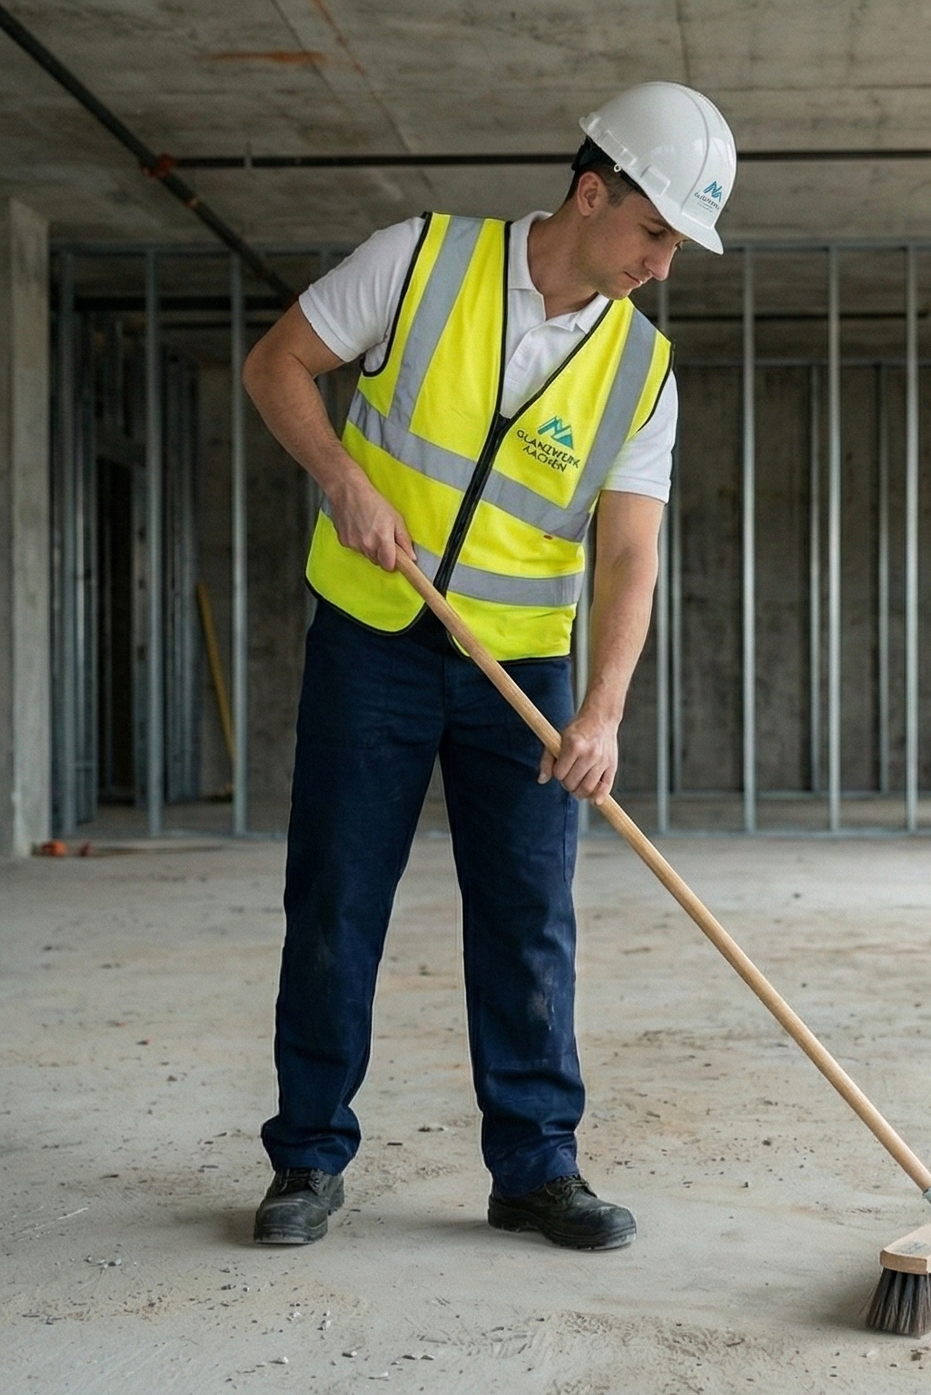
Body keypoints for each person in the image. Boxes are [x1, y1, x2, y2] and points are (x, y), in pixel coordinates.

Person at [239, 82, 736, 1251]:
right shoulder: (416, 261)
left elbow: (629, 557)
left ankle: (535, 1168)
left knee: (526, 917)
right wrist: (343, 478)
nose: (662, 266)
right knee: (335, 898)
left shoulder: (641, 373)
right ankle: (308, 1157)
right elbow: (278, 366)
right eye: (655, 232)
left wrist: (602, 713)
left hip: (522, 671)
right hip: (372, 638)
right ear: (588, 191)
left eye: (677, 245)